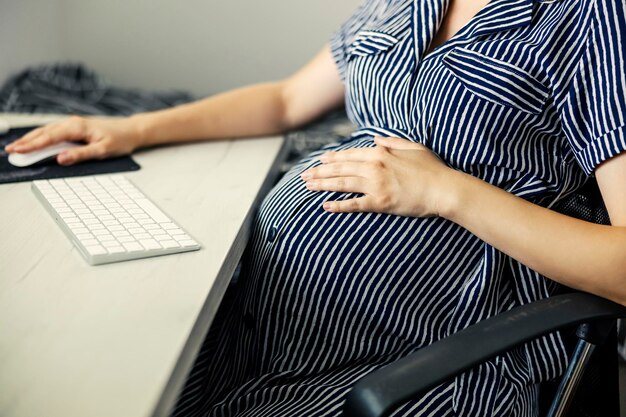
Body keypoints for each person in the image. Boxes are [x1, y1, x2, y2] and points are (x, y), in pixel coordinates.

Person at [6, 0, 626, 415]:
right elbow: (285, 100)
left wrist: (447, 192)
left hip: (415, 356)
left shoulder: (593, 19)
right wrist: (137, 130)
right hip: (266, 321)